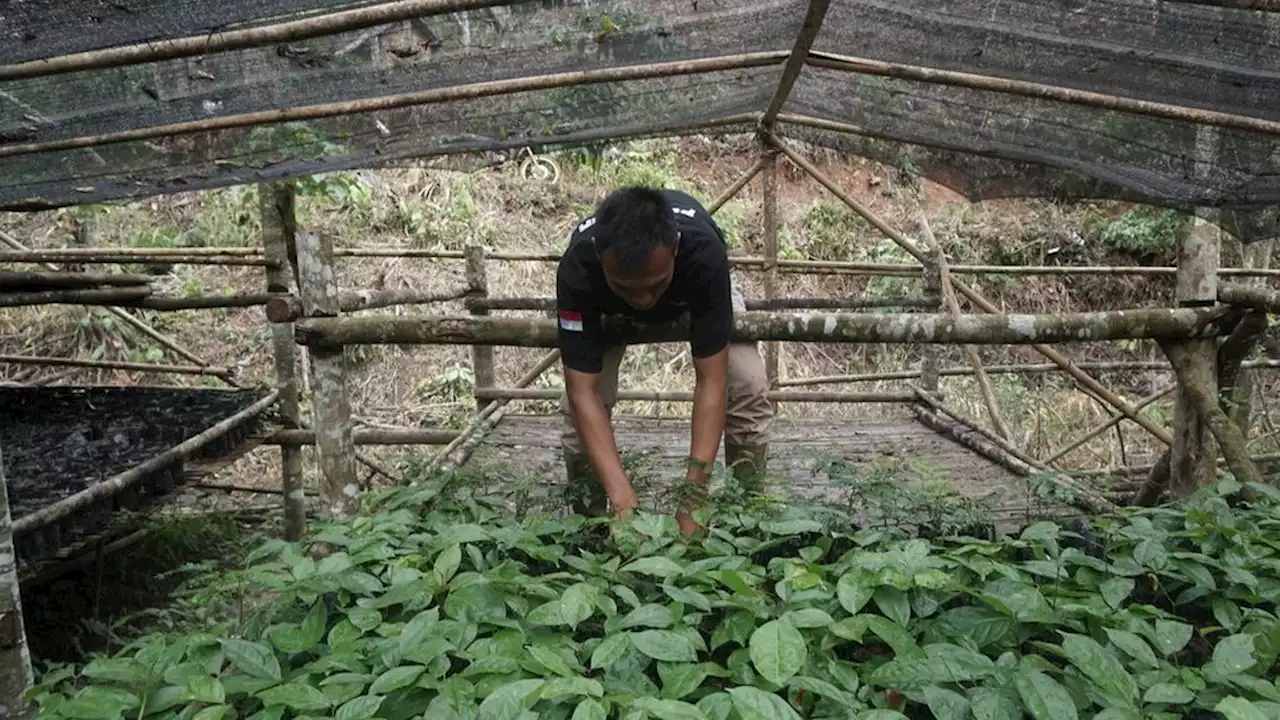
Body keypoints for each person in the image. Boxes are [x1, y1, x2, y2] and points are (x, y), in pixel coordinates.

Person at [555, 186, 774, 534]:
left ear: (674, 251)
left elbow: (712, 380)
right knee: (575, 413)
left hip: (694, 297)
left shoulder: (702, 252)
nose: (642, 299)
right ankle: (591, 528)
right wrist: (623, 497)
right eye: (628, 287)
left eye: (654, 285)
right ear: (601, 258)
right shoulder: (579, 265)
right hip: (606, 312)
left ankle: (747, 519)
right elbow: (584, 391)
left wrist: (692, 499)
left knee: (748, 385)